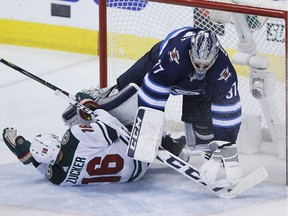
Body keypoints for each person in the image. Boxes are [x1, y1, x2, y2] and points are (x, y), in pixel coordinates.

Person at [63, 27, 243, 188]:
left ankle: (176, 145)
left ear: (215, 57)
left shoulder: (223, 71)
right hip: (158, 61)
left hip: (200, 87)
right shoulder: (174, 56)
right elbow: (152, 93)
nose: (201, 68)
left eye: (206, 65)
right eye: (198, 63)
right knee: (125, 92)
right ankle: (98, 102)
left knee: (205, 126)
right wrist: (147, 130)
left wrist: (226, 144)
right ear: (190, 53)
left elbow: (229, 109)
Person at [2, 108, 148, 186]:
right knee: (106, 111)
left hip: (133, 175)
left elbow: (47, 169)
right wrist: (93, 109)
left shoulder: (59, 179)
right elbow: (113, 128)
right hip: (138, 150)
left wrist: (32, 158)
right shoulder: (75, 136)